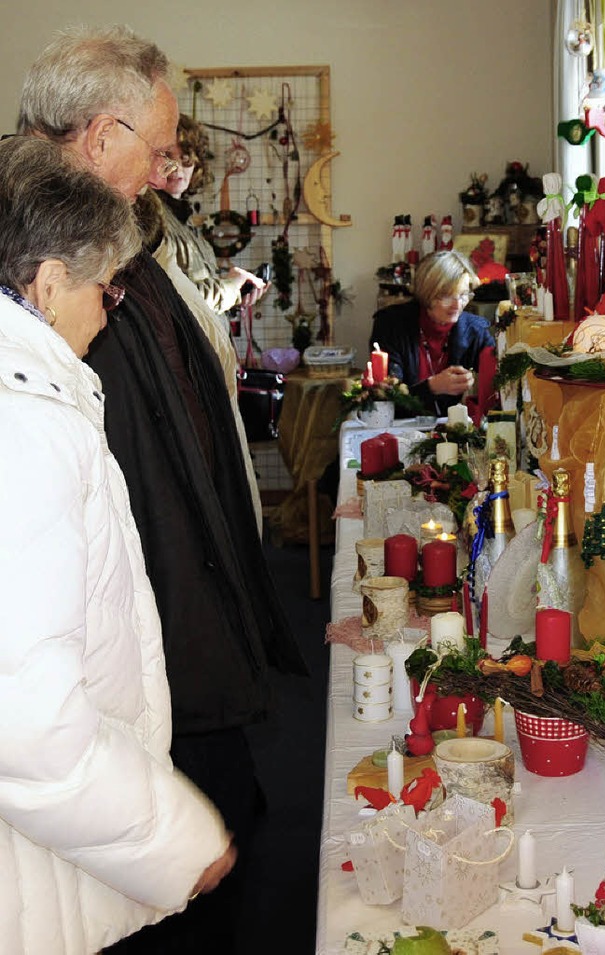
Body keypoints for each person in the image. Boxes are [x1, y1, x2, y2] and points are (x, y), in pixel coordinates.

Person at [18, 24, 308, 954]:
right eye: (157, 146)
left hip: (168, 648)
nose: (164, 168)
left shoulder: (126, 240)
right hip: (122, 692)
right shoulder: (41, 262)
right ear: (99, 138)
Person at [0, 134, 237, 954]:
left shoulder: (39, 397)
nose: (111, 305)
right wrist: (179, 836)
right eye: (104, 285)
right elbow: (30, 723)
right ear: (49, 281)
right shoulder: (24, 426)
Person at [136, 113, 262, 524]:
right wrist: (231, 286)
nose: (178, 170)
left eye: (186, 159)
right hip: (190, 368)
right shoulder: (154, 218)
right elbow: (183, 299)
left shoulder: (178, 217)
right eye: (168, 157)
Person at [370, 249, 496, 418]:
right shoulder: (391, 325)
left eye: (464, 295)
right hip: (399, 427)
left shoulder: (475, 330)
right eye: (446, 296)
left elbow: (498, 376)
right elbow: (386, 400)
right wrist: (432, 387)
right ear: (427, 294)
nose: (457, 305)